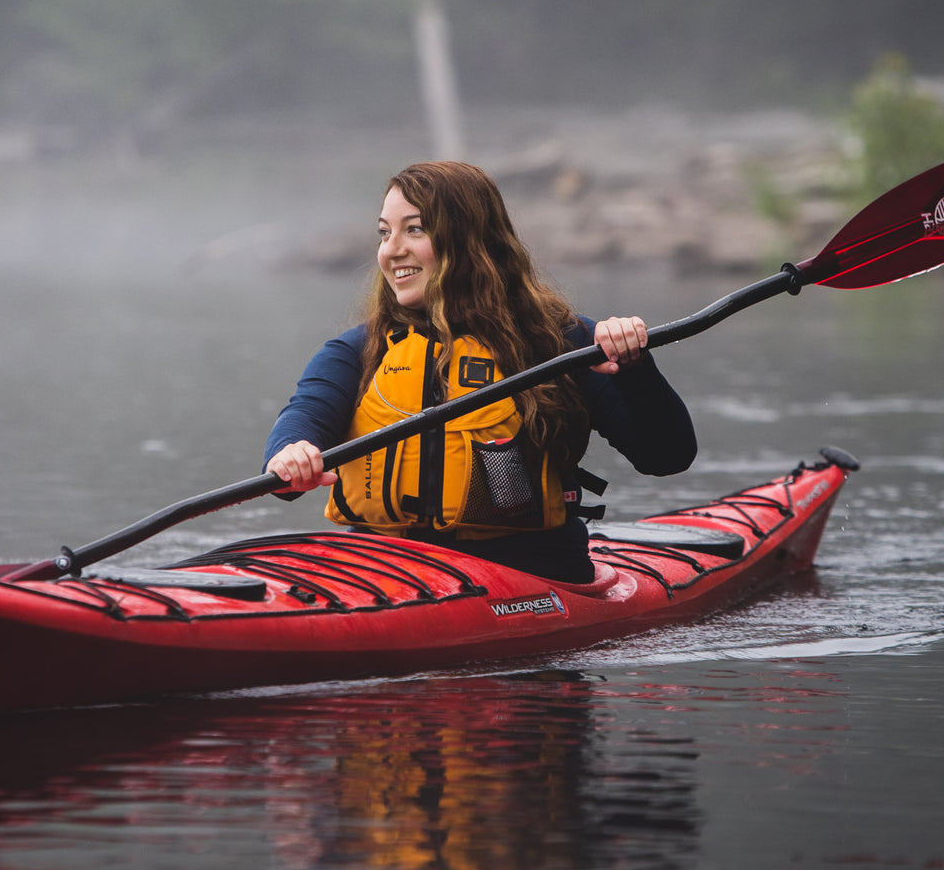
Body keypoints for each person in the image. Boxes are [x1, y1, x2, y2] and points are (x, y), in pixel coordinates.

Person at [264, 161, 696, 583]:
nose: (391, 250)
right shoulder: (358, 351)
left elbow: (667, 457)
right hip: (383, 571)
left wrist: (635, 368)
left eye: (415, 229)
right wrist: (290, 454)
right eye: (384, 232)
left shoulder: (562, 342)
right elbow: (304, 416)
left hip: (531, 575)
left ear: (470, 241)